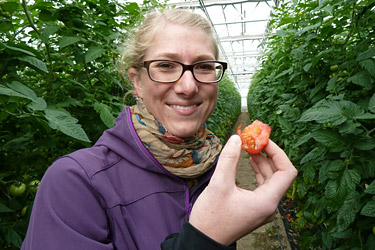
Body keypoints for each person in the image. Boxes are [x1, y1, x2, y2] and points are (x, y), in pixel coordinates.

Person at [21, 8, 297, 250]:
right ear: (137, 81)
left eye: (203, 66)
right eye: (165, 65)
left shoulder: (213, 170)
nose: (188, 86)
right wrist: (206, 239)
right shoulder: (75, 182)